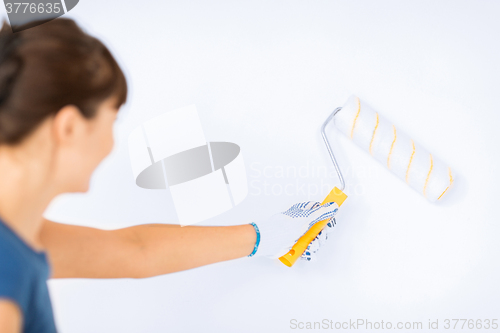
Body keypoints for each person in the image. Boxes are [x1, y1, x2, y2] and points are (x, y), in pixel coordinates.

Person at [0, 18, 339, 333]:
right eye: (111, 121)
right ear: (69, 127)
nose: (111, 144)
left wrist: (264, 236)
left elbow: (134, 251)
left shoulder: (18, 232)